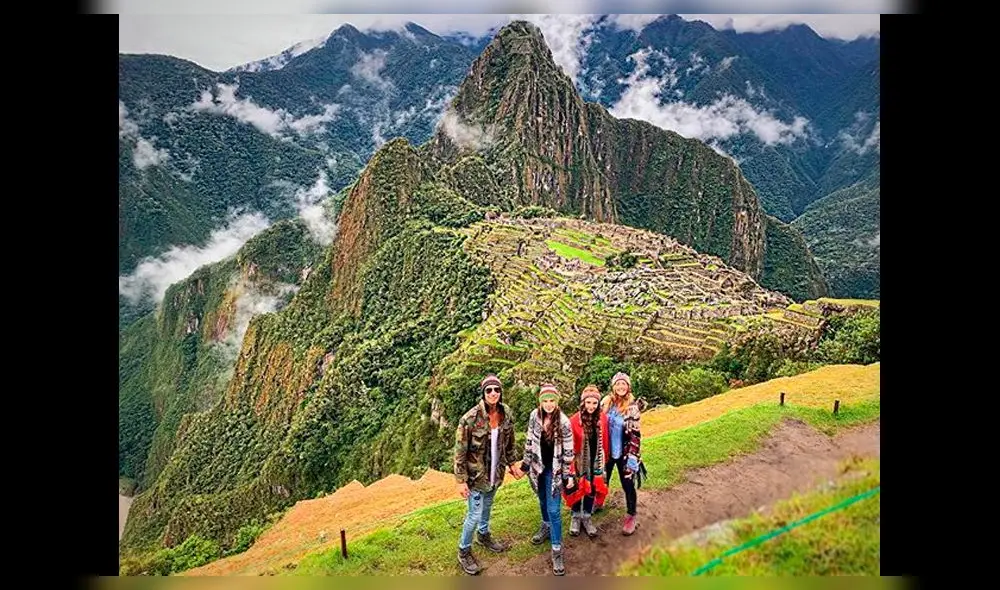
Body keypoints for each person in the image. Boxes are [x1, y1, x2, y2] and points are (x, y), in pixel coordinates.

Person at [454, 374, 523, 575]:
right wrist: (461, 480)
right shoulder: (470, 418)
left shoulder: (506, 413)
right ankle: (464, 550)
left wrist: (512, 464)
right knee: (473, 514)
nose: (493, 393)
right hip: (476, 475)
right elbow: (460, 451)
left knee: (488, 506)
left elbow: (509, 442)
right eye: (489, 390)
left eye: (497, 390)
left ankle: (483, 536)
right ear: (483, 393)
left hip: (496, 472)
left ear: (501, 392)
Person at [521, 384, 575, 576]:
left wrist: (569, 475)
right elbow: (529, 440)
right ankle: (545, 526)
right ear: (540, 402)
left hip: (555, 469)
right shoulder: (534, 416)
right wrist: (525, 464)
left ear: (557, 401)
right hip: (538, 467)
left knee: (554, 509)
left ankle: (557, 549)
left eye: (552, 400)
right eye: (545, 400)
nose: (549, 404)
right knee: (542, 499)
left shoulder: (564, 422)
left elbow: (569, 452)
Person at [601, 371, 643, 535]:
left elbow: (635, 435)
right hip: (607, 452)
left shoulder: (632, 408)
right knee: (603, 479)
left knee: (627, 484)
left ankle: (631, 515)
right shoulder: (607, 404)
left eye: (623, 384)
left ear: (628, 387)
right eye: (618, 384)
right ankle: (598, 503)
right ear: (613, 386)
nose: (620, 387)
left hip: (624, 452)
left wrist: (633, 457)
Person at [566, 384, 610, 539]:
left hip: (596, 460)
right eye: (588, 402)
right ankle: (575, 516)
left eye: (594, 403)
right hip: (579, 461)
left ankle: (587, 516)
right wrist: (570, 468)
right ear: (583, 403)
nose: (591, 406)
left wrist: (605, 460)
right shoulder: (573, 421)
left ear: (598, 404)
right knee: (579, 488)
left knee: (591, 488)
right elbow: (569, 447)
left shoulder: (602, 418)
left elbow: (605, 440)